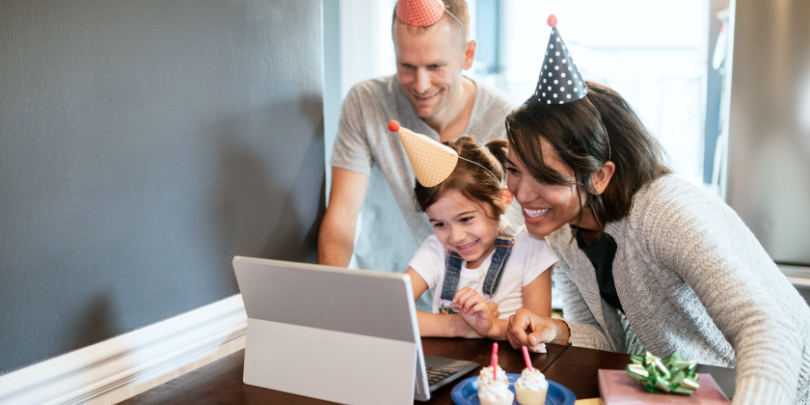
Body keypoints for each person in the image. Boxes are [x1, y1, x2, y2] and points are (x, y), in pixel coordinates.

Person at [502, 81, 810, 404]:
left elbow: (770, 330)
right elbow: (609, 344)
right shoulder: (561, 232)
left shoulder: (667, 210)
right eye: (513, 170)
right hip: (694, 392)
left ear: (599, 176)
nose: (521, 194)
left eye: (546, 177)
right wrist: (557, 330)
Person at [317, 0, 515, 311]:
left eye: (435, 66)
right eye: (407, 66)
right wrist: (328, 298)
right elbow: (342, 216)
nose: (421, 85)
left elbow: (511, 229)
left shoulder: (507, 119)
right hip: (386, 298)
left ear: (468, 55)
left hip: (474, 308)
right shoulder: (366, 102)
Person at [402, 136, 557, 341]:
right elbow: (388, 312)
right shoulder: (435, 250)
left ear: (502, 200)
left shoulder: (531, 248)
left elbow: (537, 331)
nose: (456, 237)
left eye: (465, 219)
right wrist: (459, 326)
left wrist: (491, 327)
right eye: (440, 224)